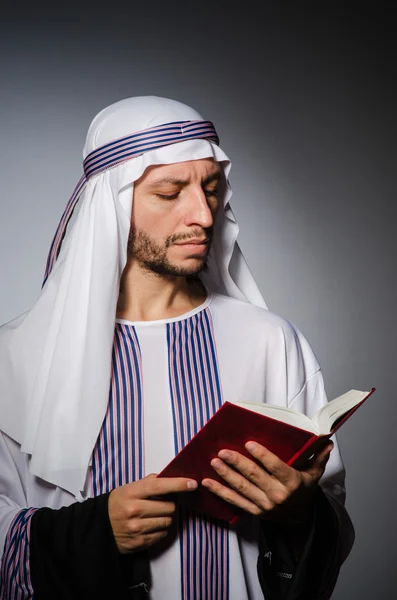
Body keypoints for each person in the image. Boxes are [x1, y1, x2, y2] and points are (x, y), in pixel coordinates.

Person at [0, 96, 354, 600]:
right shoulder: (15, 357)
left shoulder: (270, 341)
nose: (203, 215)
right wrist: (97, 531)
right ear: (112, 206)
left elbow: (331, 519)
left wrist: (298, 510)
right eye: (170, 192)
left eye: (211, 189)